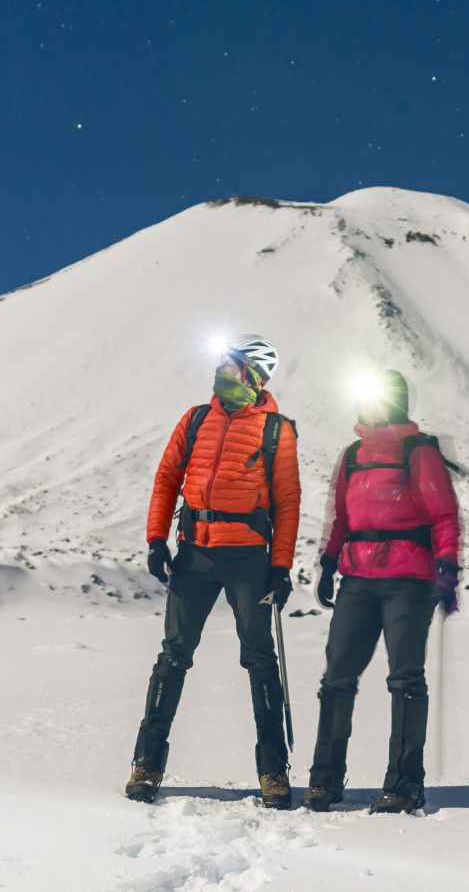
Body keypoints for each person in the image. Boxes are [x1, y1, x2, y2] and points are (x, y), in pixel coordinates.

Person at [126, 334, 301, 808]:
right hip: (194, 553)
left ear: (256, 376)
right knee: (173, 655)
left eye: (233, 367)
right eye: (221, 365)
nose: (223, 373)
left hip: (249, 559)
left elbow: (287, 503)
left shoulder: (277, 430)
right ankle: (147, 765)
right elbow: (167, 477)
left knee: (260, 660)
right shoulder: (197, 417)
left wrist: (280, 567)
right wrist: (156, 538)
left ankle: (273, 771)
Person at [303, 369, 461, 815]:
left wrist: (447, 567)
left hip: (408, 581)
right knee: (337, 677)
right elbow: (340, 515)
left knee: (405, 678)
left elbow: (444, 515)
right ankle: (324, 780)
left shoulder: (419, 452)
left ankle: (405, 784)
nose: (368, 407)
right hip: (357, 578)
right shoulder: (353, 455)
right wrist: (329, 562)